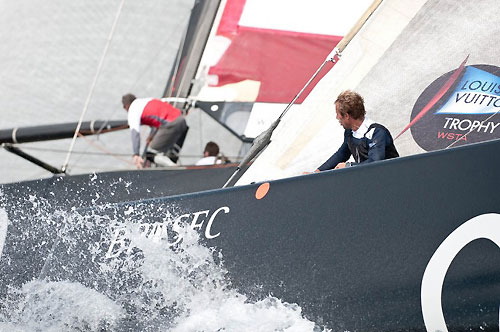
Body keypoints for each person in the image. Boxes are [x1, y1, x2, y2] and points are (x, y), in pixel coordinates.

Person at [314, 90, 399, 172]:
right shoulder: (350, 132)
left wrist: (349, 166)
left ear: (347, 116)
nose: (337, 117)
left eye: (338, 114)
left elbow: (375, 162)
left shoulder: (376, 132)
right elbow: (342, 154)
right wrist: (318, 172)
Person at [122, 93, 188, 169]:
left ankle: (174, 167)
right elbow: (158, 119)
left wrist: (136, 154)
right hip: (182, 121)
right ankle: (171, 164)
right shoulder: (147, 100)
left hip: (171, 124)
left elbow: (135, 133)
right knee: (164, 152)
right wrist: (151, 136)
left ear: (126, 106)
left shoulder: (133, 110)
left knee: (150, 153)